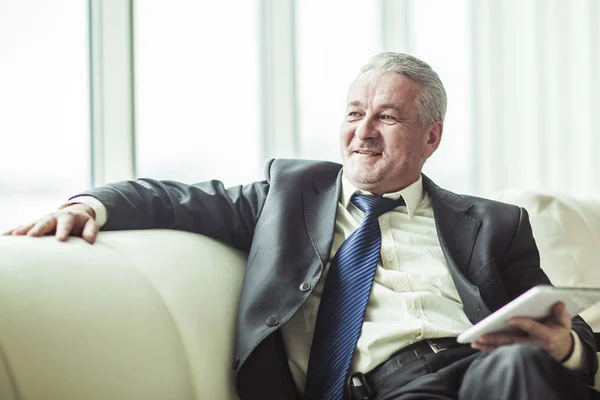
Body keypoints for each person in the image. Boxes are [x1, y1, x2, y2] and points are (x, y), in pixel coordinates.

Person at [4, 52, 597, 400]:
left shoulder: (495, 223)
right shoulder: (289, 194)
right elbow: (171, 198)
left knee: (526, 365)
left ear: (431, 137)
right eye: (354, 113)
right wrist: (88, 205)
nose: (363, 131)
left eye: (387, 117)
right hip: (385, 385)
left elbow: (561, 330)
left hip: (484, 371)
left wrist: (565, 347)